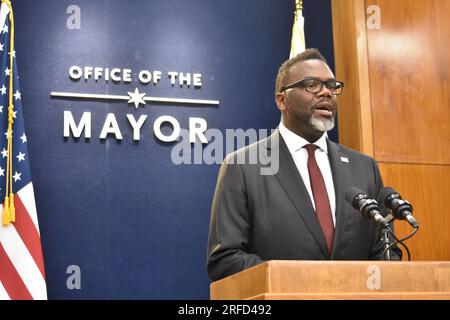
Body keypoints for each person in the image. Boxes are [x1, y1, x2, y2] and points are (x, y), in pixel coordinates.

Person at [206, 48, 402, 281]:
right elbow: (225, 259)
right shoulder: (243, 166)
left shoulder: (364, 167)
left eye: (332, 86)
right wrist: (302, 280)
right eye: (312, 85)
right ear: (282, 100)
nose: (327, 93)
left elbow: (386, 251)